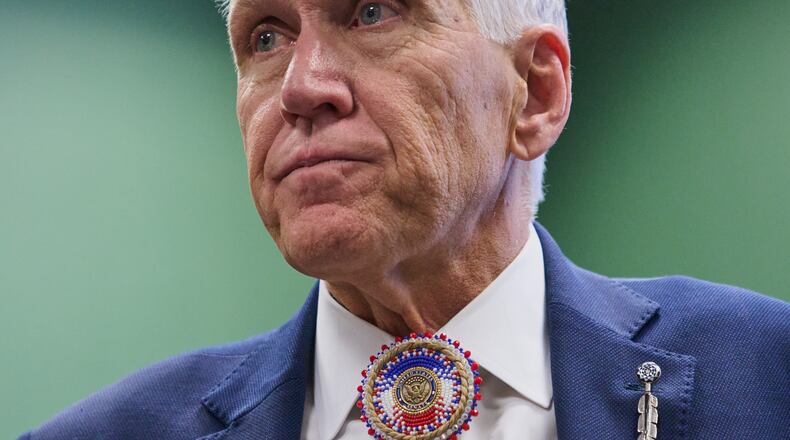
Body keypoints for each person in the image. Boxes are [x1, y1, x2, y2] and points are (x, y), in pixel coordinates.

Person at [18, 0, 789, 439]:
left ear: (536, 93)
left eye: (371, 12)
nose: (300, 88)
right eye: (266, 36)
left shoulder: (765, 375)